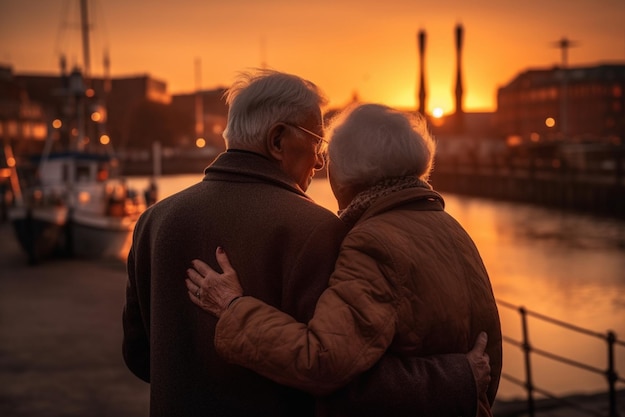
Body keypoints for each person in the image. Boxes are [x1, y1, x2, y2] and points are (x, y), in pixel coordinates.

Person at [123, 69, 488, 417]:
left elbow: (139, 356)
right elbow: (337, 380)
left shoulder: (154, 221)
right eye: (317, 142)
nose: (319, 162)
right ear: (278, 140)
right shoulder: (316, 229)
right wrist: (457, 377)